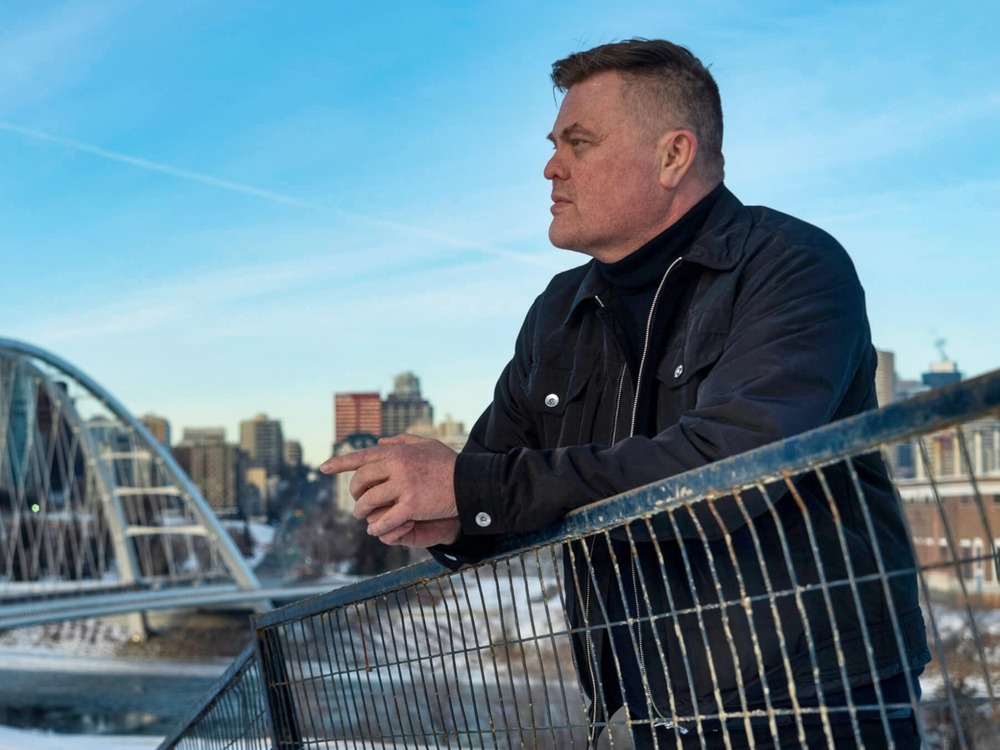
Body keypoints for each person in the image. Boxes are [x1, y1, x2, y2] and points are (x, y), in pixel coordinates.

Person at [321, 39, 929, 749]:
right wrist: (451, 518)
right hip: (652, 706)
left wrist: (467, 484)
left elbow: (725, 471)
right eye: (554, 144)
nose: (551, 167)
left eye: (579, 143)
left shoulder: (792, 269)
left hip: (812, 704)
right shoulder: (559, 311)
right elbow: (499, 476)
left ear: (673, 157)